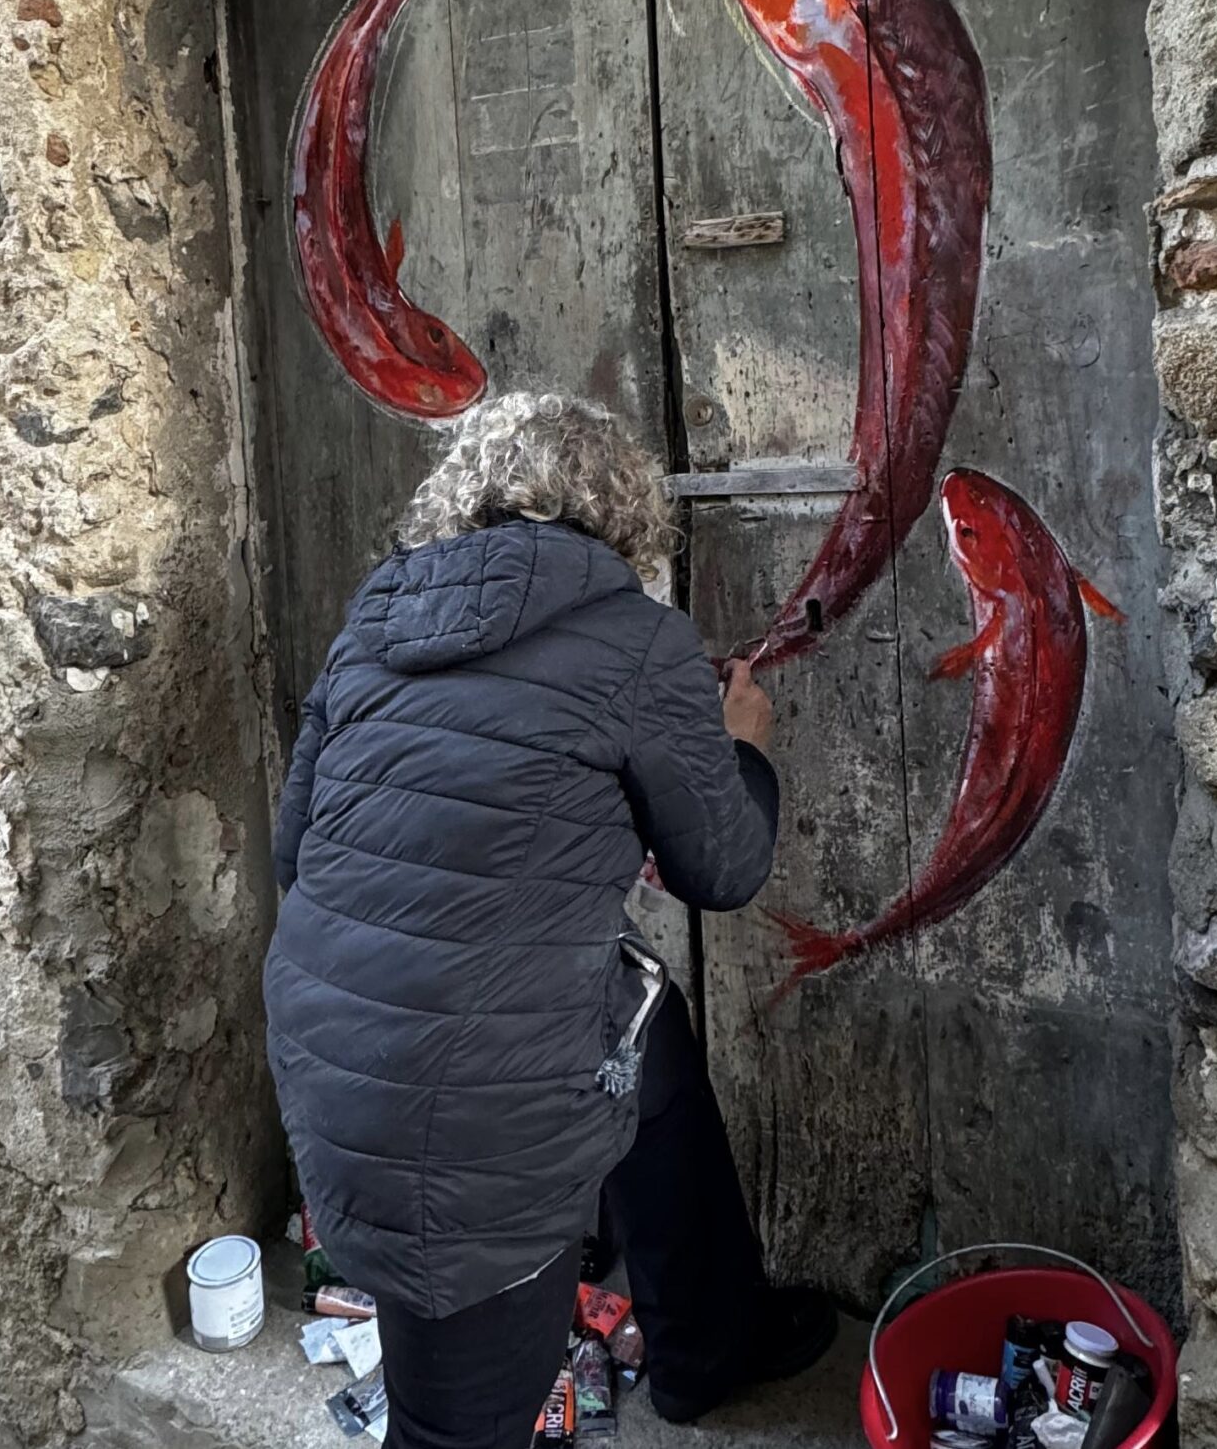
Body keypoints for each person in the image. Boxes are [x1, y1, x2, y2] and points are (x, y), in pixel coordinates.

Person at [264, 392, 836, 1448]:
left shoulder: (375, 621)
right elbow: (724, 864)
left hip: (333, 1042)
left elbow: (295, 855)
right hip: (457, 1105)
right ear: (621, 511)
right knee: (461, 1424)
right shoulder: (636, 641)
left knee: (649, 1043)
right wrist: (740, 744)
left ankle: (707, 1337)